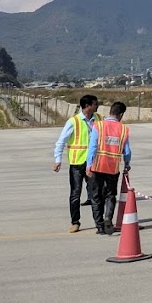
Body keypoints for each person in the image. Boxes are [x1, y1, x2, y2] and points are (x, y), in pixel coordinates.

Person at [52, 95, 99, 233]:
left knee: (95, 193)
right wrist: (57, 159)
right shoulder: (74, 122)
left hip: (94, 162)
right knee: (75, 193)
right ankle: (75, 222)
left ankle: (99, 222)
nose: (97, 106)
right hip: (77, 163)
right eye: (95, 104)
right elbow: (61, 141)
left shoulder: (99, 119)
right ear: (87, 105)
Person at [86, 101, 132, 235]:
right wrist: (127, 164)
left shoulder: (98, 125)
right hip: (113, 167)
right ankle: (108, 218)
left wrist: (89, 165)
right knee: (110, 195)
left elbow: (92, 147)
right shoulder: (123, 129)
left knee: (96, 196)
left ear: (110, 111)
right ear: (121, 114)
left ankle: (99, 226)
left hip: (97, 165)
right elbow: (127, 151)